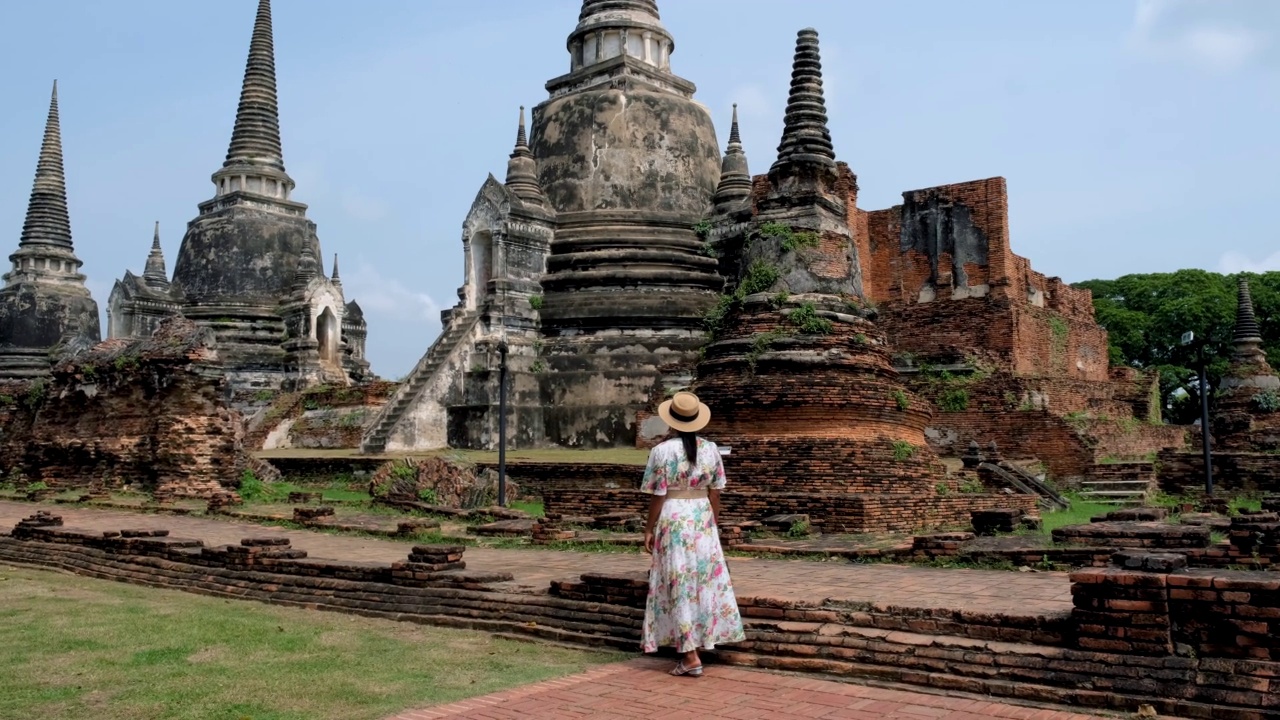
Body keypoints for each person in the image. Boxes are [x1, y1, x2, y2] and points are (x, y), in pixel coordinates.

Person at [640, 391, 746, 677]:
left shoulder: (661, 452)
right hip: (702, 515)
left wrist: (649, 528)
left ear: (671, 420)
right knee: (703, 581)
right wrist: (712, 523)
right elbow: (716, 492)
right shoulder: (711, 449)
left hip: (674, 515)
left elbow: (658, 495)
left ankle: (689, 655)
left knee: (678, 581)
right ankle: (701, 641)